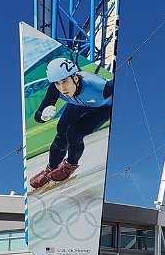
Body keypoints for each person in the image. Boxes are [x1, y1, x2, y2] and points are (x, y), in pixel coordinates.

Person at [29, 57, 114, 188]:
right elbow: (38, 114)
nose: (62, 88)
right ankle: (50, 169)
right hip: (76, 103)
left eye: (64, 81)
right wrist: (42, 116)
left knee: (74, 134)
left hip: (102, 108)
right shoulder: (55, 89)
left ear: (75, 77)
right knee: (60, 132)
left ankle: (70, 165)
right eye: (57, 83)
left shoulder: (100, 87)